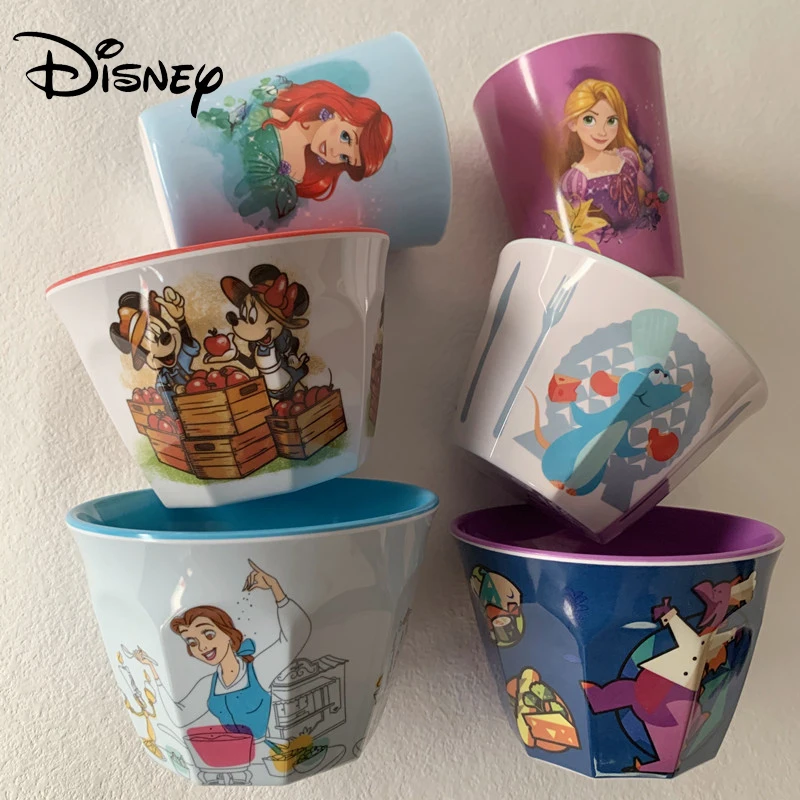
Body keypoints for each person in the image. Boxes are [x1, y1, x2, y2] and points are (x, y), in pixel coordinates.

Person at [134, 560, 311, 741]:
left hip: (264, 747)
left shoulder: (258, 670)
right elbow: (179, 715)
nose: (202, 647)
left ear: (228, 634)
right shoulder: (208, 684)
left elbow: (300, 632)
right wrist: (152, 669)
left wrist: (276, 589)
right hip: (228, 749)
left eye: (209, 634)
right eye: (192, 642)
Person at [202, 77, 393, 224]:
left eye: (345, 157)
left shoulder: (302, 174)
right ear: (340, 111)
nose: (335, 153)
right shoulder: (275, 101)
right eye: (345, 137)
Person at [552, 79, 652, 231]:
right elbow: (580, 229)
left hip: (643, 235)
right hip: (605, 243)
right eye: (589, 120)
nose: (602, 131)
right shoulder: (576, 180)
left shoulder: (627, 157)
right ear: (573, 124)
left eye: (611, 121)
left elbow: (650, 191)